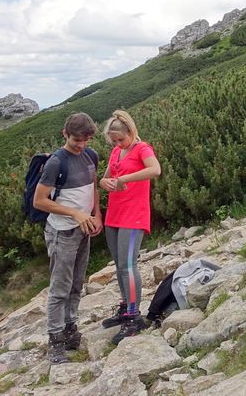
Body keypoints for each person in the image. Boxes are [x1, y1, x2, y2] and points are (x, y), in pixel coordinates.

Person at [33, 113, 102, 364]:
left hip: (84, 229)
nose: (81, 145)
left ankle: (71, 329)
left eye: (86, 140)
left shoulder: (91, 155)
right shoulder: (56, 162)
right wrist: (75, 213)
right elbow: (39, 201)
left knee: (77, 283)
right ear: (65, 134)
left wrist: (97, 214)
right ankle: (55, 341)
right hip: (62, 231)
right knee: (60, 287)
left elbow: (93, 187)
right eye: (76, 140)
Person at [98, 110, 161, 344]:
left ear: (131, 132)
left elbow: (155, 170)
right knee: (119, 264)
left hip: (133, 214)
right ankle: (125, 307)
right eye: (113, 140)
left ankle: (134, 316)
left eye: (121, 139)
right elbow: (106, 178)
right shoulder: (116, 152)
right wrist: (104, 182)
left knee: (128, 265)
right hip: (115, 213)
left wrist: (124, 179)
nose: (117, 143)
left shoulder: (142, 148)